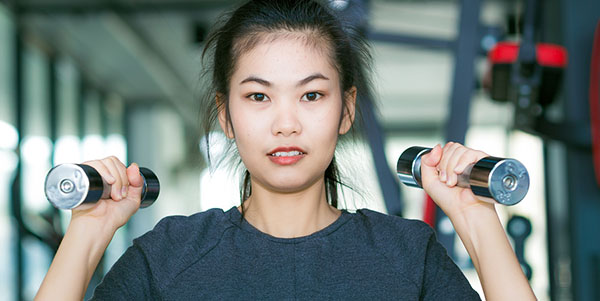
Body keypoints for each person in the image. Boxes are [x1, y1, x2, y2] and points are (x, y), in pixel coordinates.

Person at [36, 0, 536, 299]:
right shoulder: (168, 258)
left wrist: (476, 219)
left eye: (312, 95)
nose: (286, 123)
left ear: (346, 110)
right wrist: (89, 228)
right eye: (258, 96)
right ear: (226, 117)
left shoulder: (407, 256)